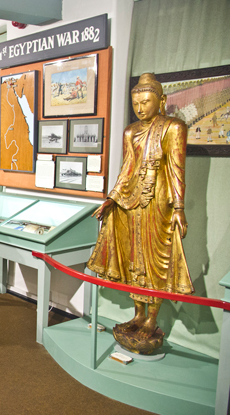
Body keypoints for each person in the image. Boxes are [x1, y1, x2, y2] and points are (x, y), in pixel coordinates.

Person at [87, 73, 193, 354]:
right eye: (136, 104)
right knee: (134, 257)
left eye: (146, 102)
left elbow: (176, 170)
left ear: (162, 100)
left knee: (155, 260)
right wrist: (111, 198)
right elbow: (127, 169)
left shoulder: (174, 128)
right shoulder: (130, 131)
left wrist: (179, 208)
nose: (141, 108)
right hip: (131, 203)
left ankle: (152, 318)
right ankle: (137, 314)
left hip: (158, 204)